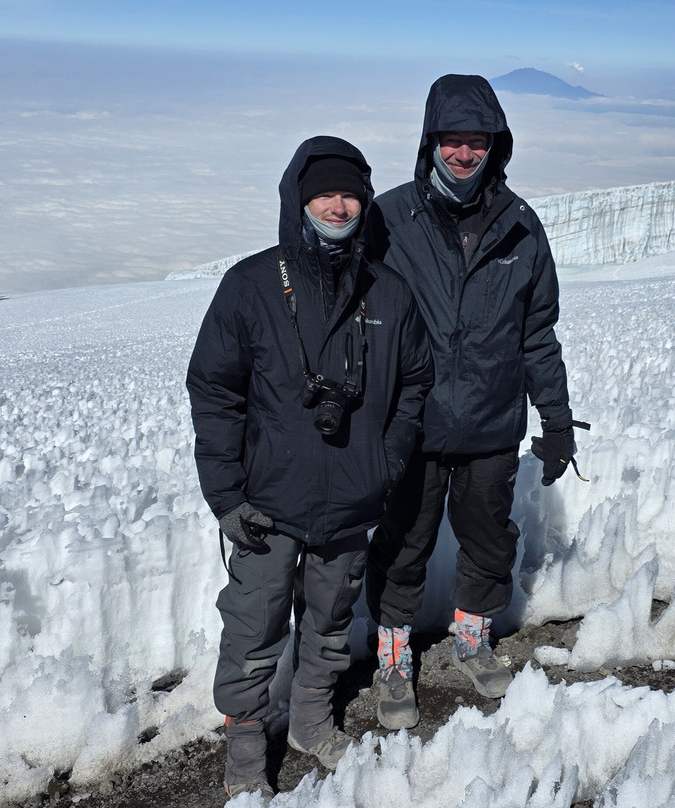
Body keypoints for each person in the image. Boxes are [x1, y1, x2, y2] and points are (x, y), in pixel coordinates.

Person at [187, 135, 432, 798]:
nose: (337, 203)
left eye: (349, 192)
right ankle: (244, 737)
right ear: (298, 198)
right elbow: (213, 389)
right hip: (268, 499)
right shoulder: (252, 286)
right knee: (253, 620)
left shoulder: (389, 295)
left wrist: (387, 459)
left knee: (329, 615)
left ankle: (310, 718)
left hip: (352, 498)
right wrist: (226, 494)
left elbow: (415, 381)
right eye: (323, 191)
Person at [364, 74, 582, 726]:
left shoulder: (521, 227)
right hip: (413, 422)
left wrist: (558, 418)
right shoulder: (390, 218)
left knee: (488, 540)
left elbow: (537, 334)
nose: (464, 154)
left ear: (496, 144)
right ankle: (393, 656)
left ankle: (470, 639)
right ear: (431, 141)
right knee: (402, 542)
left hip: (490, 422)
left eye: (476, 140)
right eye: (452, 140)